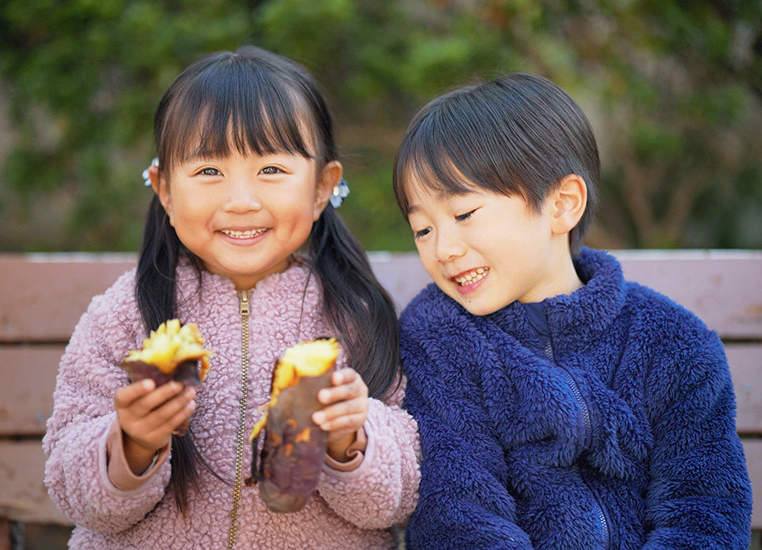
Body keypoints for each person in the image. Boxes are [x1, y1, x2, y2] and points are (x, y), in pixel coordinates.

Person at [43, 46, 420, 549]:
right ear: (165, 190)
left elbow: (402, 497)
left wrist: (353, 439)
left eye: (271, 170)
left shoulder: (357, 316)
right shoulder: (126, 315)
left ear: (322, 188)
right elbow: (69, 486)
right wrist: (131, 442)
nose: (240, 201)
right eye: (207, 172)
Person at [393, 73, 752, 549]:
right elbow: (457, 513)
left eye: (463, 215)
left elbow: (704, 510)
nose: (444, 249)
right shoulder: (437, 339)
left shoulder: (672, 341)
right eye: (423, 229)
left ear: (562, 205)